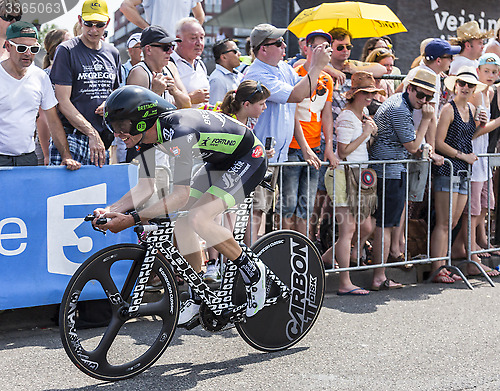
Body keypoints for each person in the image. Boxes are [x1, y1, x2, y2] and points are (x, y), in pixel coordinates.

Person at [95, 84, 269, 326]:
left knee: (198, 217)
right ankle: (200, 294)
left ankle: (252, 269)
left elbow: (179, 196)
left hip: (248, 157)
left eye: (122, 126)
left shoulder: (178, 132)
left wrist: (134, 218)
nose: (118, 134)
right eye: (113, 128)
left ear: (143, 120)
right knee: (184, 221)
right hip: (218, 162)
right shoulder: (146, 138)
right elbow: (145, 188)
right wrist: (111, 210)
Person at [243, 23, 335, 243]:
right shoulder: (257, 73)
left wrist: (304, 148)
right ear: (263, 49)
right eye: (278, 42)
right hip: (259, 155)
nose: (284, 46)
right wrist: (317, 64)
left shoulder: (283, 68)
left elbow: (304, 92)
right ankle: (247, 261)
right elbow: (297, 94)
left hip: (277, 155)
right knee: (257, 211)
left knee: (264, 210)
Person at [369, 69, 438, 290]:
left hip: (390, 170)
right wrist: (427, 120)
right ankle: (379, 276)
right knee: (384, 226)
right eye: (420, 95)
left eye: (429, 97)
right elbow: (413, 146)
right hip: (388, 172)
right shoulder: (399, 108)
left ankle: (379, 271)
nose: (424, 101)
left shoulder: (401, 103)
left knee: (384, 225)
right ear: (409, 88)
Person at [322, 72, 381, 295]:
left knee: (366, 226)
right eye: (366, 93)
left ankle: (327, 258)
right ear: (355, 94)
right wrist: (366, 132)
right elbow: (343, 151)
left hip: (357, 174)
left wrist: (370, 132)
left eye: (372, 93)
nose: (370, 97)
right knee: (348, 230)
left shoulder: (362, 114)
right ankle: (345, 282)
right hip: (343, 175)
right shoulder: (347, 117)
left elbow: (361, 146)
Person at [49, 0, 121, 167]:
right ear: (80, 21)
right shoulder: (66, 50)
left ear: (107, 23)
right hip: (72, 138)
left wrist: (109, 104)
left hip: (102, 141)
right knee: (63, 193)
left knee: (97, 193)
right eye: (88, 23)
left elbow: (116, 92)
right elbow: (62, 101)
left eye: (99, 24)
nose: (94, 30)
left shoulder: (113, 53)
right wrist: (91, 133)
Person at [431, 66, 486, 283]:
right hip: (448, 169)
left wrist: (481, 123)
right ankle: (438, 268)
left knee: (452, 222)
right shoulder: (448, 109)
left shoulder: (471, 110)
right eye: (461, 83)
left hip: (463, 171)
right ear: (455, 85)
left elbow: (471, 135)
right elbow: (438, 143)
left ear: (474, 89)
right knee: (444, 223)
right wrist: (463, 156)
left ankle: (444, 265)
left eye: (470, 85)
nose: (465, 87)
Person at [0, 21, 79, 170]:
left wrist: (66, 156)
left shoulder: (41, 77)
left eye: (34, 48)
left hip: (27, 158)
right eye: (22, 48)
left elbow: (53, 121)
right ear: (8, 46)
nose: (28, 53)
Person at [280, 30, 336, 236]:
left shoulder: (327, 80)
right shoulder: (295, 74)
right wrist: (304, 147)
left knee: (307, 204)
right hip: (293, 147)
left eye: (326, 48)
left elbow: (327, 114)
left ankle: (302, 250)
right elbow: (292, 112)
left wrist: (328, 146)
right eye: (317, 47)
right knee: (287, 203)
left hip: (315, 147)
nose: (322, 51)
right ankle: (283, 246)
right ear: (307, 48)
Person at [451, 56, 500, 276]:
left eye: (494, 72)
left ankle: (463, 248)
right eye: (487, 71)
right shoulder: (476, 95)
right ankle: (470, 256)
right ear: (478, 71)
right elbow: (473, 132)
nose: (490, 76)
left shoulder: (490, 93)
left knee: (486, 205)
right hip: (472, 157)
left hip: (482, 159)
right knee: (473, 211)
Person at [127, 25, 190, 109]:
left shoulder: (171, 66)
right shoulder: (139, 73)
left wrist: (175, 91)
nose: (171, 52)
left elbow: (187, 105)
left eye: (172, 47)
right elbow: (135, 115)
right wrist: (156, 93)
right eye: (166, 48)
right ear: (149, 49)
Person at [170, 17, 209, 107]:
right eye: (193, 38)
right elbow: (163, 106)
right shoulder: (169, 64)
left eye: (202, 38)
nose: (199, 43)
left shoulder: (200, 64)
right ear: (178, 40)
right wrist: (190, 99)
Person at [120, 0, 204, 38]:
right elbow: (125, 6)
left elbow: (200, 16)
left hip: (179, 48)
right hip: (158, 47)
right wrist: (149, 29)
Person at [209, 38, 244, 105]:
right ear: (223, 57)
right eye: (235, 51)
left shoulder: (239, 75)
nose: (239, 54)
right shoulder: (217, 79)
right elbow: (216, 109)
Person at [364, 47, 396, 115]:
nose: (389, 69)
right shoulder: (364, 83)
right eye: (385, 65)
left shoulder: (388, 84)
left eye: (391, 65)